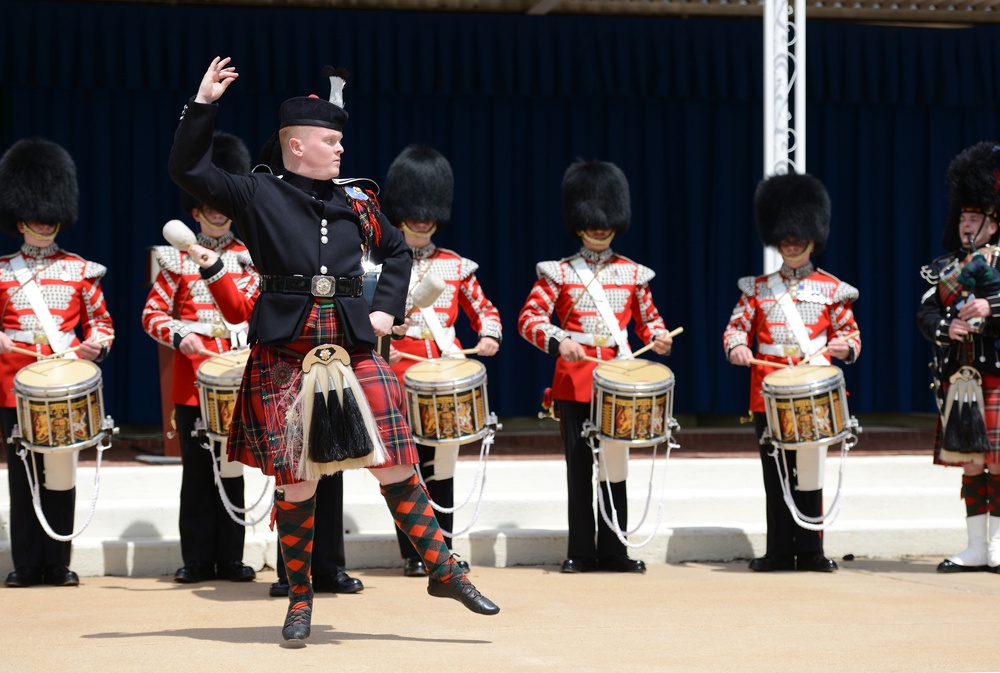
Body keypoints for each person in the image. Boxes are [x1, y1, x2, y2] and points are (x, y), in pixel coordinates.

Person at [168, 57, 499, 643]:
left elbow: (398, 255)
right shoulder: (254, 192)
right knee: (297, 483)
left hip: (351, 346)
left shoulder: (361, 201)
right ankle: (300, 598)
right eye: (329, 140)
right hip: (285, 351)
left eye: (340, 140)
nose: (340, 149)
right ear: (297, 146)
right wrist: (203, 103)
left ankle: (444, 570)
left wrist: (384, 308)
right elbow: (187, 166)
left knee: (397, 463)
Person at [517, 159, 673, 574]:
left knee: (615, 465)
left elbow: (649, 319)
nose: (600, 228)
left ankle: (615, 551)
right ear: (579, 221)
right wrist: (559, 340)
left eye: (606, 221)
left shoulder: (634, 274)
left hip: (619, 377)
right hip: (576, 378)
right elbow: (529, 319)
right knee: (579, 467)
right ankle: (581, 550)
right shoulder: (558, 272)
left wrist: (659, 337)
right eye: (592, 221)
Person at [723, 172, 861, 573]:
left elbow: (851, 335)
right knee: (775, 472)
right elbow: (735, 328)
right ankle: (780, 551)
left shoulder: (834, 290)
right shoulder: (757, 289)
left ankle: (811, 550)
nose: (792, 242)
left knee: (810, 472)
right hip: (768, 389)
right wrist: (737, 347)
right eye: (785, 237)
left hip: (814, 389)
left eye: (799, 236)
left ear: (813, 238)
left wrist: (845, 347)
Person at [142, 131, 259, 584]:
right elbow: (152, 314)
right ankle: (196, 559)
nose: (216, 212)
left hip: (236, 375)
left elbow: (250, 310)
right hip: (192, 379)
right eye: (208, 205)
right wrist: (178, 334)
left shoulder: (252, 260)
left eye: (222, 204)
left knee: (232, 470)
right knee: (196, 475)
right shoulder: (176, 262)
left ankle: (231, 558)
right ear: (195, 211)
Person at [381, 144, 502, 577]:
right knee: (406, 466)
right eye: (414, 212)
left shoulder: (456, 266)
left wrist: (489, 334)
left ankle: (443, 551)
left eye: (428, 213)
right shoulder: (376, 263)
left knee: (444, 466)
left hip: (445, 373)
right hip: (398, 375)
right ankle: (415, 552)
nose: (421, 220)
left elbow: (484, 310)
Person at [0, 138, 115, 587]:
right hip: (16, 386)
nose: (44, 226)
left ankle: (57, 563)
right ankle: (27, 564)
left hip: (64, 382)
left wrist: (93, 347)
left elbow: (103, 325)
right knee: (23, 475)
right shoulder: (4, 271)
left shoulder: (81, 269)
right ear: (19, 219)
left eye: (50, 219)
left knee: (61, 476)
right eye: (35, 219)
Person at [918, 141, 1000, 573]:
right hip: (961, 375)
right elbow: (926, 311)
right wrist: (944, 328)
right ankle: (975, 548)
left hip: (997, 376)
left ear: (993, 223)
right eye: (964, 218)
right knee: (971, 464)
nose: (968, 225)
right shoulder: (945, 267)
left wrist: (991, 307)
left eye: (976, 218)